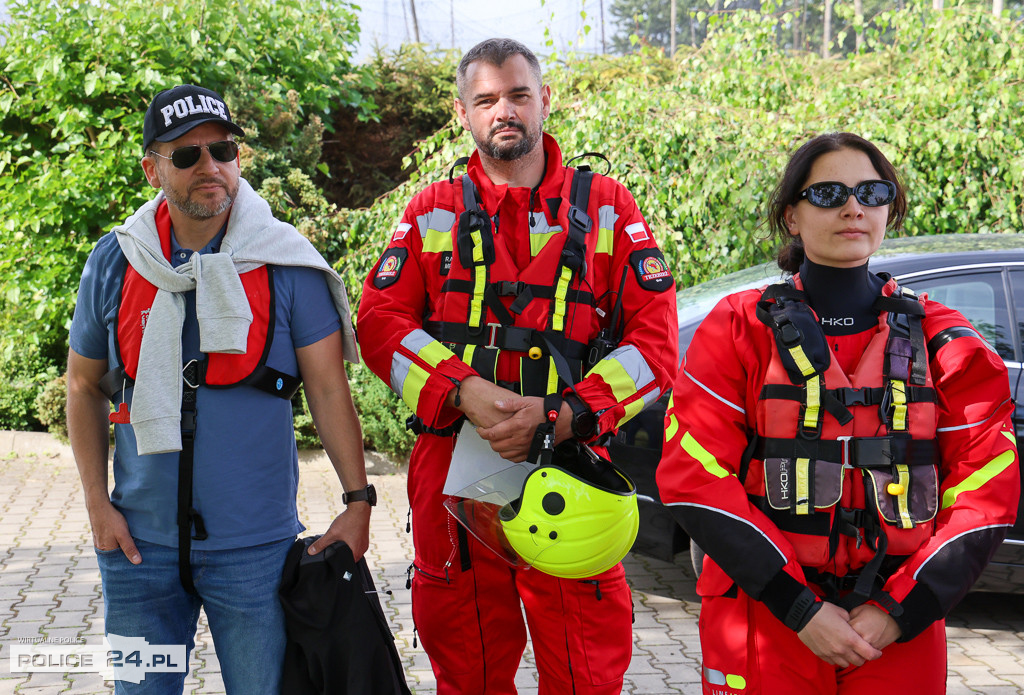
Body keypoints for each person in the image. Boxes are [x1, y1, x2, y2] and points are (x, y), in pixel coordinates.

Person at [357, 38, 678, 695]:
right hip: (454, 474)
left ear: (545, 101)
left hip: (572, 472)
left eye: (518, 94)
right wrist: (462, 389)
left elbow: (656, 345)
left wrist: (565, 413)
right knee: (466, 670)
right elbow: (380, 325)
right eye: (486, 99)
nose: (503, 109)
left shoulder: (610, 206)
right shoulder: (430, 211)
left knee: (586, 671)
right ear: (463, 113)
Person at [656, 132, 1020, 694]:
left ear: (889, 209)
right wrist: (798, 606)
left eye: (872, 192)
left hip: (896, 629)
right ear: (792, 218)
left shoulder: (948, 342)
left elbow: (986, 491)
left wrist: (898, 611)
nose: (853, 206)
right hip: (764, 616)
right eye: (827, 193)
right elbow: (693, 477)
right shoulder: (737, 329)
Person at [66, 84, 372, 694]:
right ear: (153, 168)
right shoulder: (118, 259)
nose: (209, 167)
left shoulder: (284, 261)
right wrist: (98, 508)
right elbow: (82, 384)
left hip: (255, 555)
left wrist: (358, 501)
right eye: (186, 155)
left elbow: (329, 389)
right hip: (137, 550)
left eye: (222, 150)